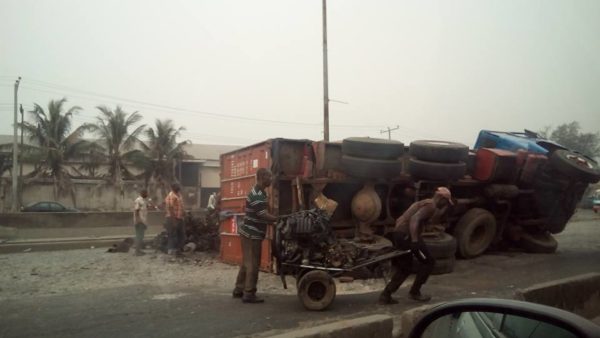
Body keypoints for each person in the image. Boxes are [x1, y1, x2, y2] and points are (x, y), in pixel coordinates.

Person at [379, 187, 454, 305]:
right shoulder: (431, 206)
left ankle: (386, 295)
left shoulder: (423, 203)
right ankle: (415, 292)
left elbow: (400, 219)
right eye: (446, 202)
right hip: (408, 237)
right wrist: (414, 240)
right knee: (428, 262)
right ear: (441, 198)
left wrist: (401, 235)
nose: (446, 204)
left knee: (405, 267)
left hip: (400, 234)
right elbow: (415, 219)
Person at [232, 168, 278, 304]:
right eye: (269, 177)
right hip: (252, 234)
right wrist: (277, 219)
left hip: (248, 232)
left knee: (246, 263)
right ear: (263, 177)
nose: (271, 180)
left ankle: (239, 289)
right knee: (253, 264)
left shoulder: (259, 192)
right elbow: (262, 215)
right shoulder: (258, 194)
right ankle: (249, 293)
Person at [165, 183, 185, 256]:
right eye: (177, 186)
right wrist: (174, 221)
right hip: (172, 218)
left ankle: (179, 250)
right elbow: (170, 208)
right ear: (173, 187)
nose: (178, 187)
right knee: (172, 234)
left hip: (180, 218)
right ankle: (171, 250)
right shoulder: (171, 196)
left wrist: (183, 213)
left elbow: (181, 206)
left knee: (181, 234)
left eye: (178, 186)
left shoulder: (179, 195)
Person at [133, 189, 149, 256]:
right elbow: (136, 211)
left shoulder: (144, 201)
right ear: (143, 193)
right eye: (146, 193)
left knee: (141, 236)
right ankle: (137, 251)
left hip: (143, 221)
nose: (147, 194)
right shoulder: (138, 200)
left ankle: (139, 250)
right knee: (139, 236)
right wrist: (138, 220)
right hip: (140, 221)